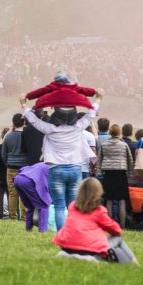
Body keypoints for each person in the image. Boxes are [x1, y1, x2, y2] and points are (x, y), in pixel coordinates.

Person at [21, 89, 102, 230]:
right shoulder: (78, 127)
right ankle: (73, 233)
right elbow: (90, 115)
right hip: (75, 168)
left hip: (56, 169)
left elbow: (33, 120)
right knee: (73, 205)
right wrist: (99, 98)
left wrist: (23, 104)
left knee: (59, 205)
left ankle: (61, 234)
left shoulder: (50, 129)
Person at [54, 178, 137, 264]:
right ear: (98, 193)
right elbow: (116, 231)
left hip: (67, 247)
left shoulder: (72, 206)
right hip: (89, 250)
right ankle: (134, 262)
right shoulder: (99, 211)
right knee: (118, 239)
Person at [97, 123, 133, 227]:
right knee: (122, 201)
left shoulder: (104, 145)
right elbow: (129, 160)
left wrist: (99, 172)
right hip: (121, 174)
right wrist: (130, 173)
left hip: (108, 173)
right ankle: (122, 225)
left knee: (109, 200)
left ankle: (109, 224)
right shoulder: (124, 145)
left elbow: (99, 160)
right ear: (119, 132)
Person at [24, 72, 96, 111]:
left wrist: (28, 96)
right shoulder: (72, 87)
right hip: (71, 110)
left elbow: (40, 91)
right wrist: (95, 91)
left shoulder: (53, 86)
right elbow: (84, 90)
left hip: (59, 111)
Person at [1, 113, 26, 221]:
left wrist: (8, 163)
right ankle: (25, 217)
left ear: (13, 123)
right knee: (24, 193)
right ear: (24, 122)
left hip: (11, 167)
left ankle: (13, 217)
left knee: (12, 193)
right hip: (25, 168)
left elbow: (3, 153)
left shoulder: (8, 136)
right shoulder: (26, 135)